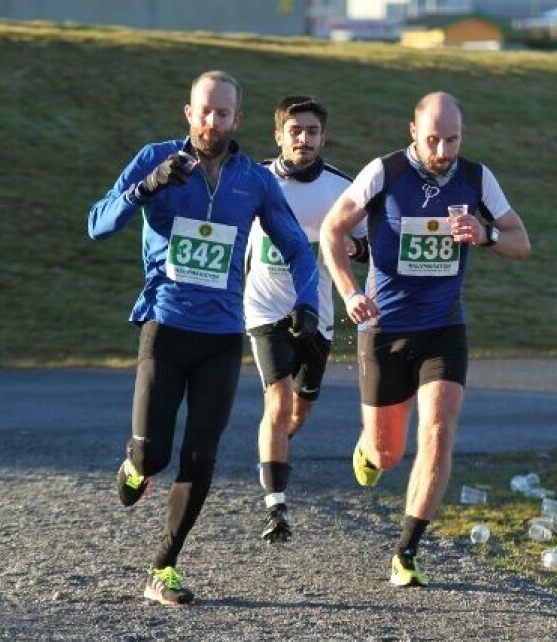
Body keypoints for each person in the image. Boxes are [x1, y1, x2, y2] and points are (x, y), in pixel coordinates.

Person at [87, 71, 319, 606]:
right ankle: (135, 465)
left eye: (223, 114)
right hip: (165, 328)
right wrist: (146, 188)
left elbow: (298, 249)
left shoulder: (253, 181)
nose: (212, 122)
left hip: (220, 336)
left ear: (238, 119)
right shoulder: (156, 158)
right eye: (203, 112)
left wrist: (306, 301)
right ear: (188, 113)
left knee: (202, 455)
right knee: (154, 455)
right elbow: (97, 224)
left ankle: (163, 567)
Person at [319, 91, 530, 587]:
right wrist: (349, 292)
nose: (442, 150)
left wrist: (485, 234)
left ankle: (406, 552)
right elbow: (332, 231)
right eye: (432, 139)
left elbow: (521, 241)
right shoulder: (385, 172)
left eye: (452, 139)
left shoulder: (477, 178)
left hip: (443, 327)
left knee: (437, 430)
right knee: (387, 452)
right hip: (384, 327)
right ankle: (369, 450)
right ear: (413, 131)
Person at [243, 95, 366, 544]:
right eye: (295, 131)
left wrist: (358, 249)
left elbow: (372, 243)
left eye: (312, 132)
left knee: (301, 406)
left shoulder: (342, 189)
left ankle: (272, 448)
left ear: (322, 137)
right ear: (279, 136)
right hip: (265, 309)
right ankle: (276, 507)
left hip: (319, 315)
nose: (304, 139)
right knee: (276, 402)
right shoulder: (254, 178)